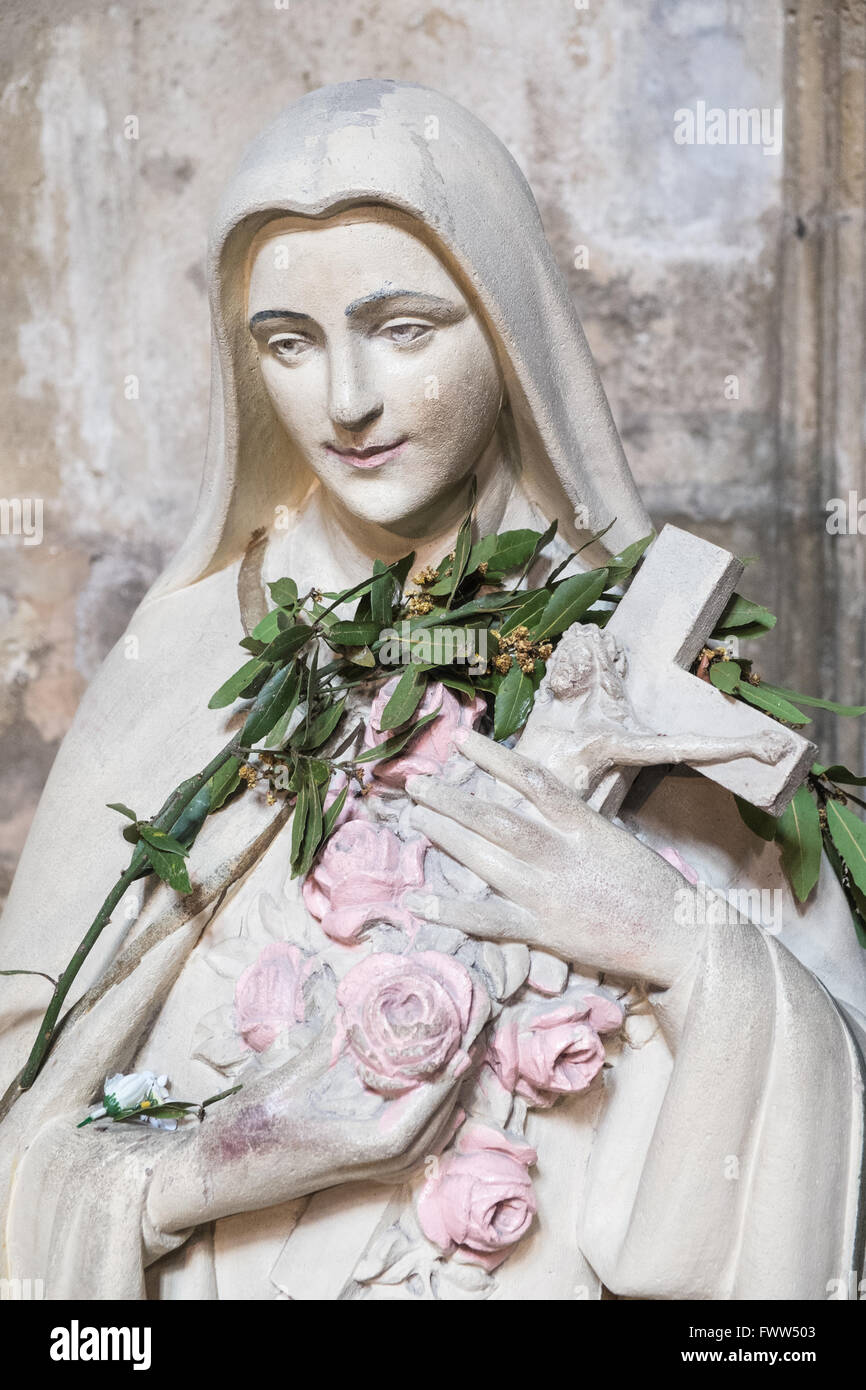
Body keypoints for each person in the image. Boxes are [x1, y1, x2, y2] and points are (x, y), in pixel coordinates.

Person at [1, 81, 863, 1301]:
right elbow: (22, 1146)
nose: (343, 402)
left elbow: (832, 1110)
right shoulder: (188, 656)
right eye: (288, 344)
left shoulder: (648, 657)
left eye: (402, 329)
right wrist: (217, 1163)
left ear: (507, 330)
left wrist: (680, 945)